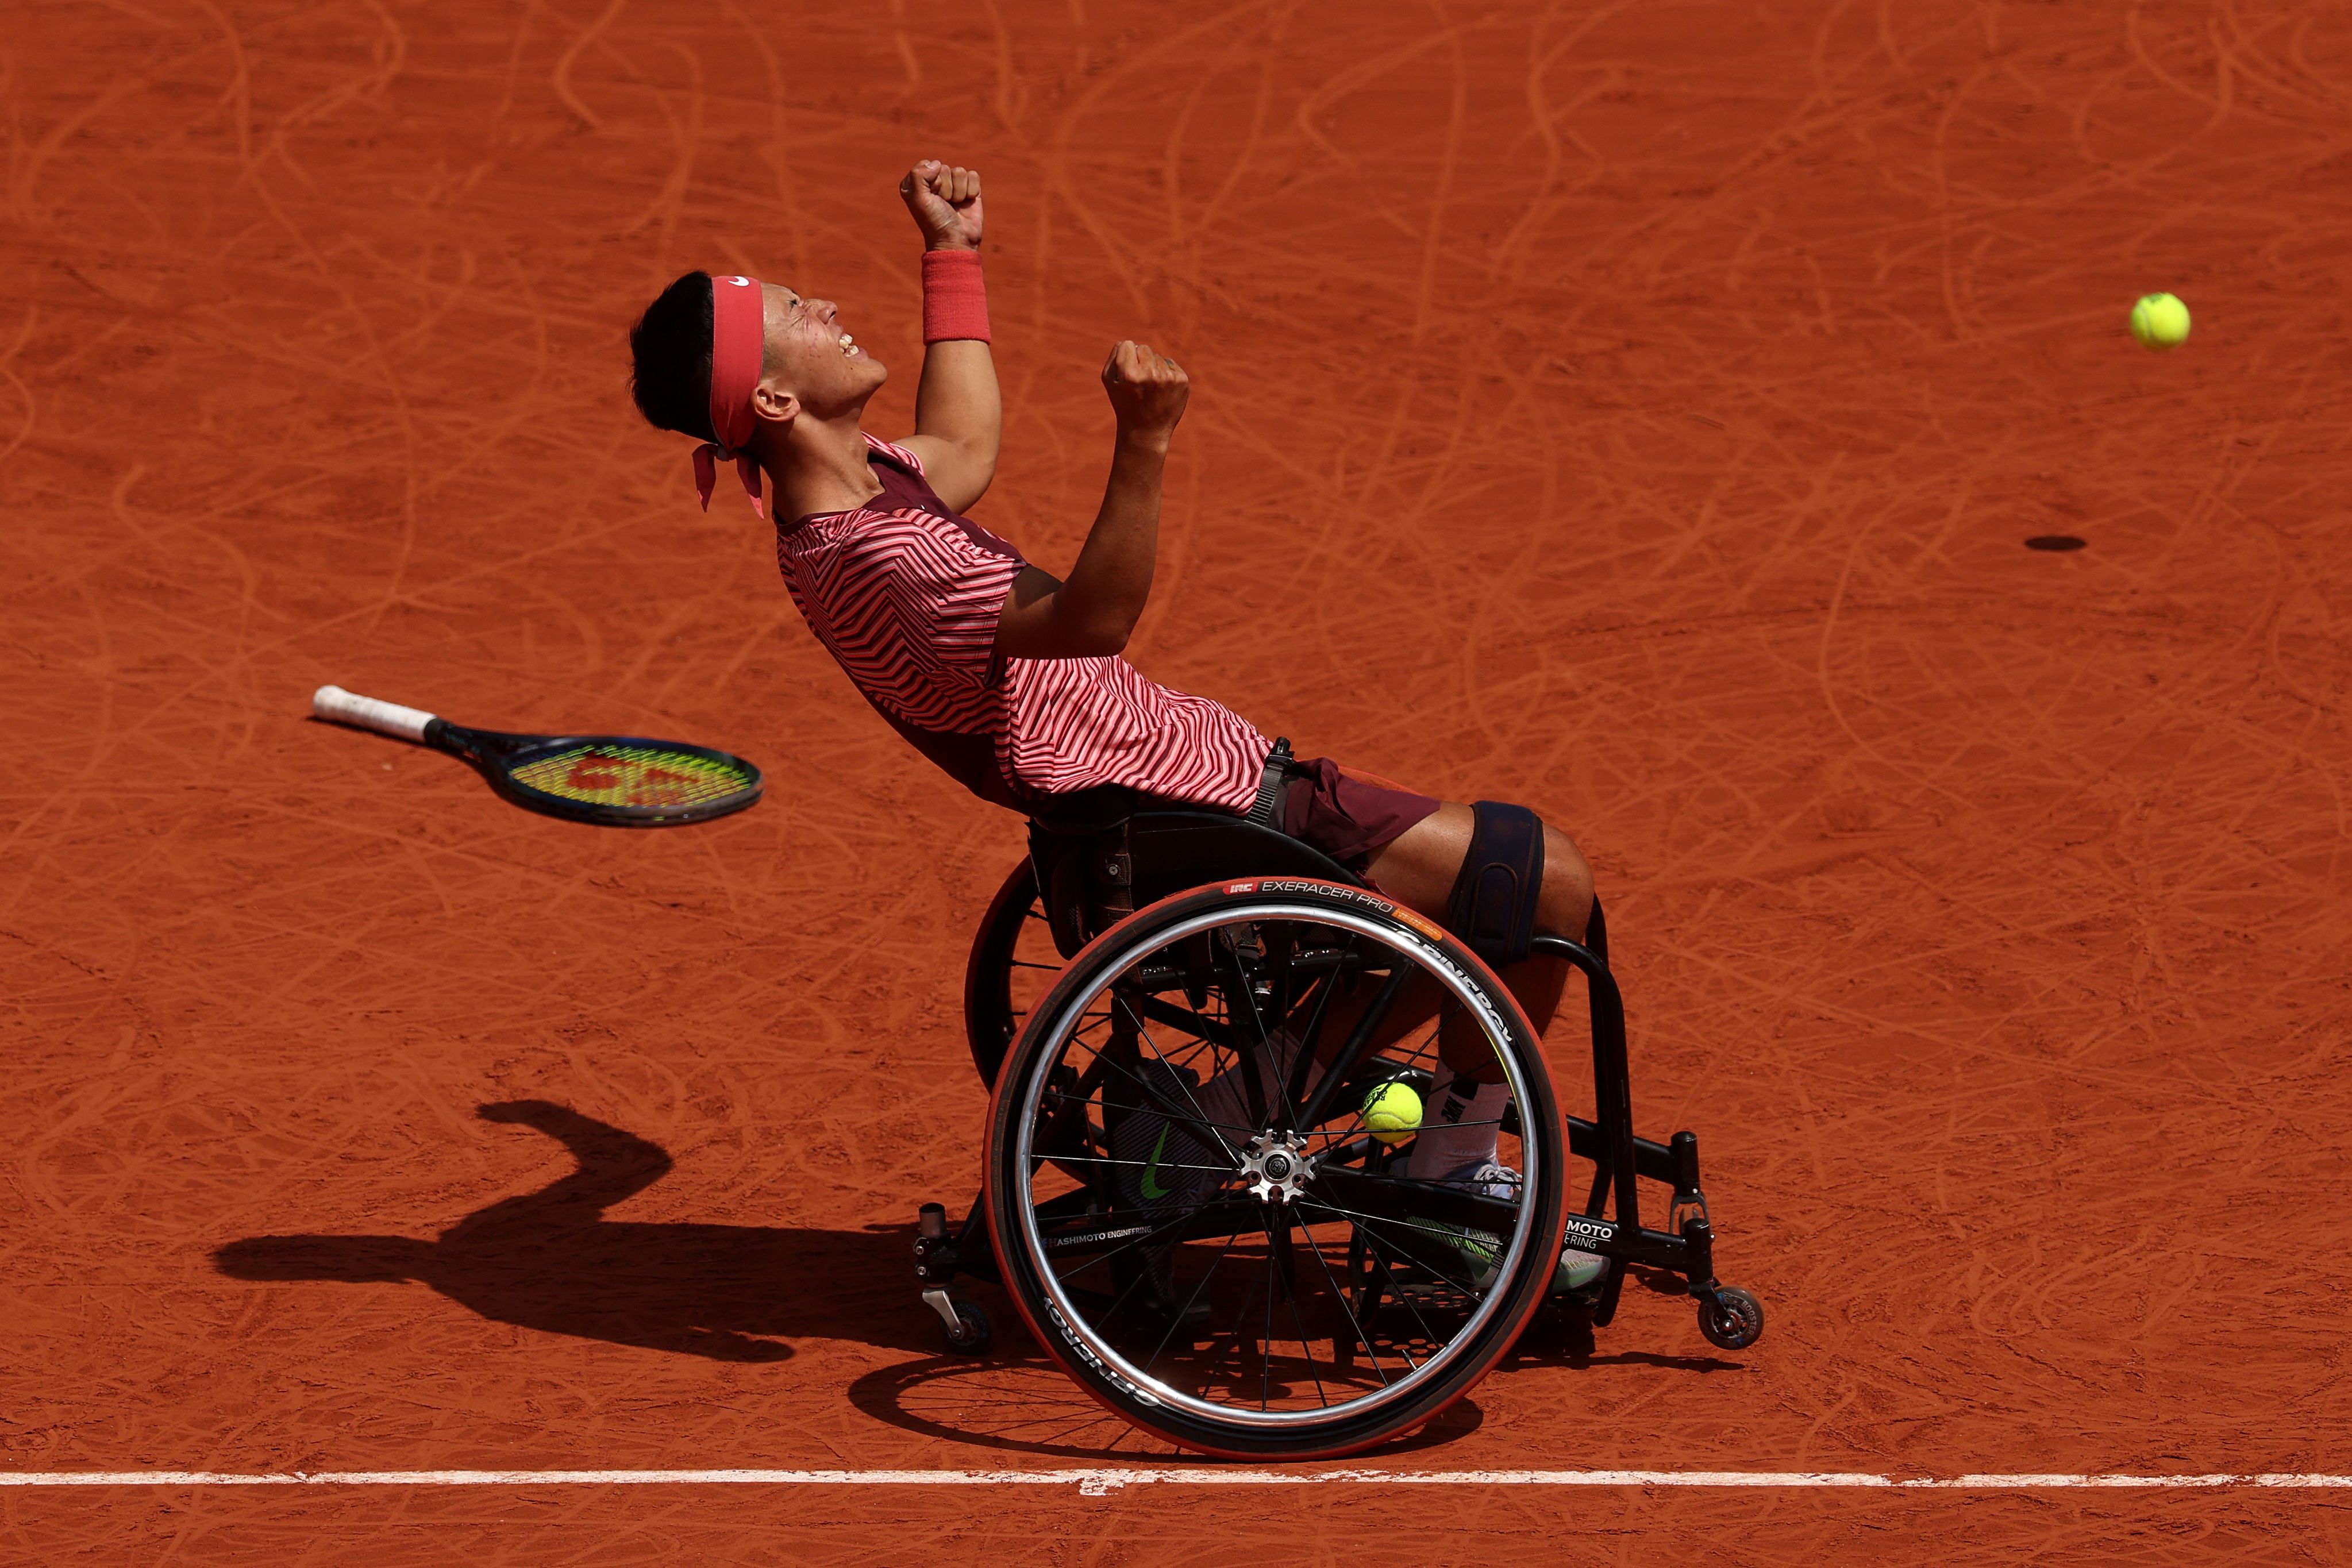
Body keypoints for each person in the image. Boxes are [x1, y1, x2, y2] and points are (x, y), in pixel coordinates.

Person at [625, 160, 1599, 1276]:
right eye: (798, 312)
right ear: (773, 401)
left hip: (1169, 786)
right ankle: (1440, 1170)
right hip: (1183, 807)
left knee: (1471, 902)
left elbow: (966, 447)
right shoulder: (883, 554)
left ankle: (1236, 1112)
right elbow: (1092, 619)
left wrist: (954, 255)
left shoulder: (856, 499)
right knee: (1539, 879)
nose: (828, 307)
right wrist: (1145, 439)